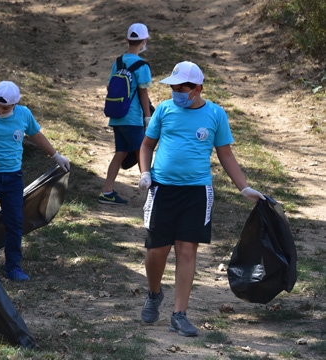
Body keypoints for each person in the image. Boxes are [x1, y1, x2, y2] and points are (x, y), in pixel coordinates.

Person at [138, 61, 265, 337]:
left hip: (196, 192)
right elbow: (147, 145)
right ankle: (154, 293)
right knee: (156, 252)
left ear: (197, 89)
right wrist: (145, 172)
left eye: (181, 87)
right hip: (163, 190)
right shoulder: (164, 110)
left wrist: (244, 188)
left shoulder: (216, 115)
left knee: (186, 251)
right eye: (173, 87)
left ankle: (179, 314)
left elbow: (225, 154)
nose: (176, 92)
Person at [0, 80, 70, 281]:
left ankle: (13, 266)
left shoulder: (23, 114)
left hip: (13, 177)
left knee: (14, 222)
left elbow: (36, 136)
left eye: (5, 107)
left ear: (15, 105)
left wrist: (56, 156)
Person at [99, 23, 152, 205]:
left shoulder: (118, 62)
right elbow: (143, 92)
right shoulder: (142, 65)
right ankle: (154, 195)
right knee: (142, 153)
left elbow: (109, 86)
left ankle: (107, 191)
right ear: (144, 41)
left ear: (127, 40)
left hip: (117, 116)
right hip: (133, 118)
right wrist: (147, 116)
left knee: (120, 152)